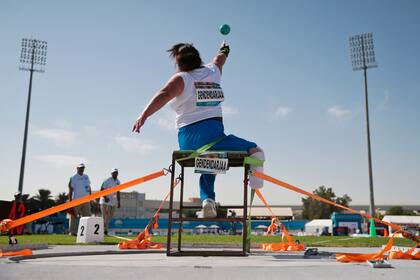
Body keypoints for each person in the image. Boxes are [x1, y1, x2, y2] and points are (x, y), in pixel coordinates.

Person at [132, 42, 265, 218]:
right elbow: (220, 59)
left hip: (189, 141)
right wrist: (225, 48)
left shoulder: (182, 78)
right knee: (256, 151)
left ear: (179, 64)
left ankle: (207, 201)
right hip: (214, 136)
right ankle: (254, 186)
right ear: (198, 58)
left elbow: (163, 94)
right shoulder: (213, 71)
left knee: (212, 159)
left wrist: (144, 115)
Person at [68, 163, 92, 235]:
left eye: (83, 168)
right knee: (73, 217)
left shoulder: (86, 176)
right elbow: (70, 189)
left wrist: (90, 198)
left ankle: (86, 232)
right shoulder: (73, 177)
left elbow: (89, 187)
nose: (82, 169)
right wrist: (70, 201)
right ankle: (72, 232)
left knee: (87, 216)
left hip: (86, 200)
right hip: (76, 200)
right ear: (77, 168)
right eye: (80, 168)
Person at [99, 168, 121, 235]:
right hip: (104, 201)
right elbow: (101, 189)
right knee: (104, 216)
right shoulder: (107, 180)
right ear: (111, 173)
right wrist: (105, 197)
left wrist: (119, 202)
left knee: (110, 217)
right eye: (114, 172)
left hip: (113, 202)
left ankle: (104, 229)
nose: (115, 174)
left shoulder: (118, 181)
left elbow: (118, 192)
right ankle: (104, 231)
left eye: (116, 172)